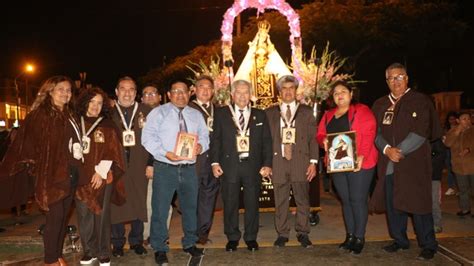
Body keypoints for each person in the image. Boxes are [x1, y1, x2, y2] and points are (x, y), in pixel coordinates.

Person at [1, 76, 79, 265]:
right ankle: (50, 260)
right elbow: (26, 145)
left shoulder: (68, 115)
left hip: (69, 173)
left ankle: (57, 254)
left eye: (68, 90)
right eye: (60, 89)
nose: (65, 93)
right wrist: (36, 168)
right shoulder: (40, 115)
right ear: (50, 91)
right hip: (49, 175)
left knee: (62, 218)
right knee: (55, 217)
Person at [370, 63, 440, 260]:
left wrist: (398, 151)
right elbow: (374, 133)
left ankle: (428, 243)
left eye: (399, 77)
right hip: (389, 163)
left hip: (414, 162)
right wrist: (386, 150)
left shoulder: (420, 101)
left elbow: (421, 131)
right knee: (394, 205)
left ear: (407, 78)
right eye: (391, 78)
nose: (396, 81)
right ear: (386, 81)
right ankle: (400, 240)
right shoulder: (380, 104)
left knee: (419, 204)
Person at [142, 79, 209, 265]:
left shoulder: (196, 115)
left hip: (188, 169)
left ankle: (189, 242)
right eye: (176, 92)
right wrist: (165, 153)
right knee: (160, 209)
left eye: (184, 91)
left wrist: (201, 147)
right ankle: (159, 246)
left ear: (190, 93)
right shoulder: (158, 113)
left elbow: (204, 136)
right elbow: (147, 138)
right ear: (169, 95)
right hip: (165, 168)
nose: (180, 95)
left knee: (189, 208)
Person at [316, 80, 378, 254]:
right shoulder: (328, 115)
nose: (340, 95)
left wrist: (362, 155)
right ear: (332, 98)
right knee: (346, 200)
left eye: (343, 91)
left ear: (351, 94)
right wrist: (324, 141)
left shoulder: (362, 111)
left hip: (360, 162)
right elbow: (320, 134)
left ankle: (359, 237)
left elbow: (369, 133)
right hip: (338, 163)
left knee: (358, 200)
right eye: (336, 93)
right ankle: (350, 235)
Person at [210, 79, 272, 252]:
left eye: (246, 92)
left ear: (250, 95)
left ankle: (251, 237)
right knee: (230, 203)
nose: (243, 96)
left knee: (252, 203)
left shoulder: (260, 114)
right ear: (232, 94)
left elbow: (267, 141)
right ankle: (232, 237)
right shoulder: (221, 113)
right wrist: (214, 162)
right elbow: (215, 140)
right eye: (239, 92)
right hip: (229, 165)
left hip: (253, 166)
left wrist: (267, 164)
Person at [74, 87, 126, 266]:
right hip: (80, 177)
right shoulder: (74, 123)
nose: (95, 106)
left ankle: (104, 252)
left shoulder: (108, 125)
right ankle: (89, 251)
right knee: (83, 215)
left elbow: (114, 152)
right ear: (84, 102)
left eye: (99, 102)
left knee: (102, 216)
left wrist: (100, 172)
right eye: (92, 101)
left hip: (102, 176)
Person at [265, 75, 318, 248]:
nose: (288, 91)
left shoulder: (306, 111)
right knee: (280, 200)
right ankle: (282, 233)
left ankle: (303, 232)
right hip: (278, 161)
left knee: (302, 199)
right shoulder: (270, 113)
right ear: (280, 92)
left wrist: (313, 162)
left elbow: (313, 139)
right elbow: (264, 140)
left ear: (296, 91)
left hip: (300, 161)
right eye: (284, 88)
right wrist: (266, 163)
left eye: (291, 88)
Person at [110, 76, 151, 257]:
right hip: (116, 166)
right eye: (123, 89)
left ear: (136, 93)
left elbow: (154, 140)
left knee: (138, 202)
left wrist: (151, 163)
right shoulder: (108, 113)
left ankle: (136, 241)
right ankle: (117, 243)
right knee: (116, 203)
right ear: (117, 92)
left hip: (139, 163)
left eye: (131, 89)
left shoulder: (146, 111)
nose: (127, 93)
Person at [188, 75, 220, 245]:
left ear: (213, 91)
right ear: (195, 89)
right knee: (192, 198)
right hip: (194, 161)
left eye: (209, 87)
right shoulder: (187, 109)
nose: (205, 90)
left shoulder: (219, 109)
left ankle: (203, 233)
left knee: (208, 198)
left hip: (213, 162)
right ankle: (191, 232)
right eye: (201, 87)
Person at [444, 112, 474, 217]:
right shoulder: (452, 131)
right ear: (458, 121)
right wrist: (457, 131)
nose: (467, 121)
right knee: (462, 190)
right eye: (464, 119)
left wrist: (468, 149)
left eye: (468, 119)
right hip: (459, 166)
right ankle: (465, 209)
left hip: (472, 165)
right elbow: (447, 143)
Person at [443, 111, 459, 196]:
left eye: (453, 119)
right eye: (450, 119)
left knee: (458, 171)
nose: (451, 121)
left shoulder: (459, 128)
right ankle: (451, 187)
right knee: (450, 169)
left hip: (457, 151)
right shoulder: (446, 128)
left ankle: (459, 188)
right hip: (448, 151)